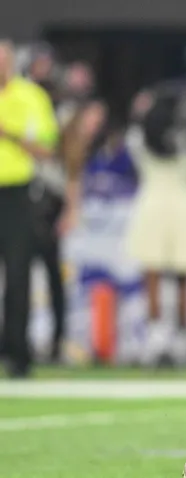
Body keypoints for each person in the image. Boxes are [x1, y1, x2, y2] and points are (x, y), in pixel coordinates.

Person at [125, 86, 186, 367]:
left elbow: (133, 147)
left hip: (151, 205)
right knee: (183, 278)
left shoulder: (139, 137)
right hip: (183, 206)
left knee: (153, 278)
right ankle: (181, 340)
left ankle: (156, 338)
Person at [0, 40, 59, 377]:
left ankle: (18, 355)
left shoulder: (30, 97)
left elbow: (46, 150)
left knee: (18, 274)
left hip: (17, 194)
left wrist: (9, 135)